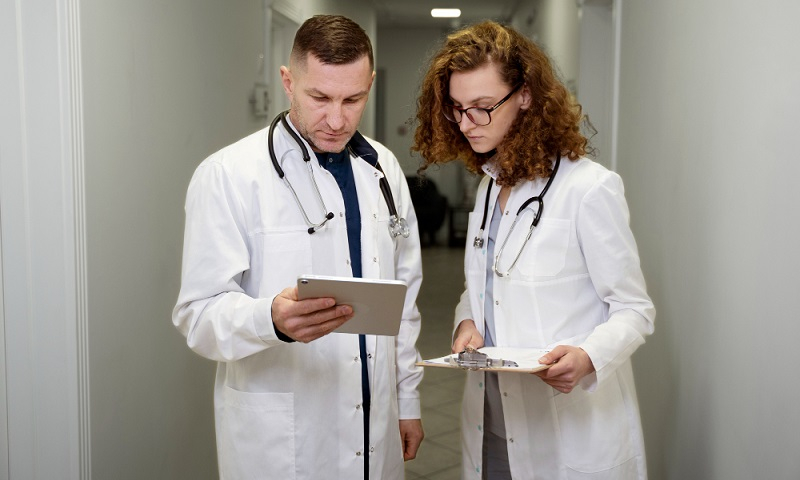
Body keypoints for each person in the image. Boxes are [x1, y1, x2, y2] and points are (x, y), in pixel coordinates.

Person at [173, 14, 424, 480]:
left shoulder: (383, 168)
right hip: (283, 441)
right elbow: (197, 316)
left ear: (370, 83)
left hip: (376, 420)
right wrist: (269, 319)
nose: (336, 118)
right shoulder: (229, 175)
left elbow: (403, 299)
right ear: (288, 82)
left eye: (353, 99)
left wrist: (406, 401)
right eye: (319, 97)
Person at [412, 21, 655, 480]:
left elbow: (634, 309)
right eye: (457, 109)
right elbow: (481, 285)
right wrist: (468, 319)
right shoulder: (488, 188)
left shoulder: (588, 189)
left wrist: (588, 356)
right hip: (493, 418)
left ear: (525, 95)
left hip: (570, 425)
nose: (467, 124)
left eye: (483, 107)